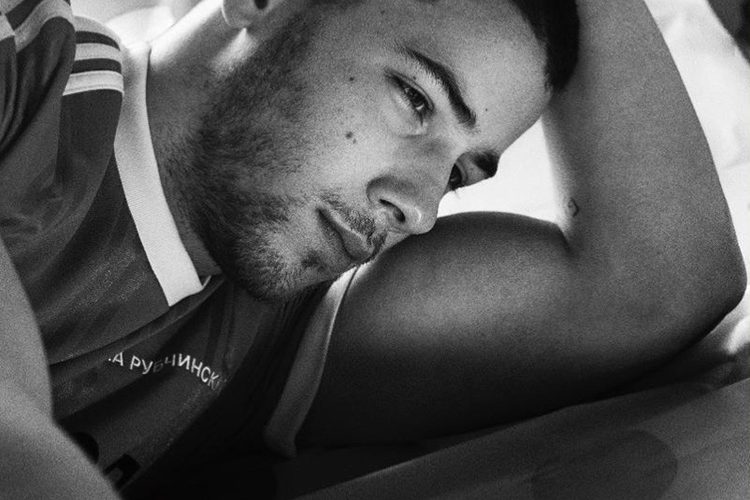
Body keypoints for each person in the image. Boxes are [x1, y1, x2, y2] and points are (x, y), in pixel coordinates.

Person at [0, 0, 744, 498]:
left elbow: (660, 285)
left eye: (459, 173)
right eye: (416, 100)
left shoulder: (267, 333)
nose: (420, 208)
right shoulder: (22, 68)